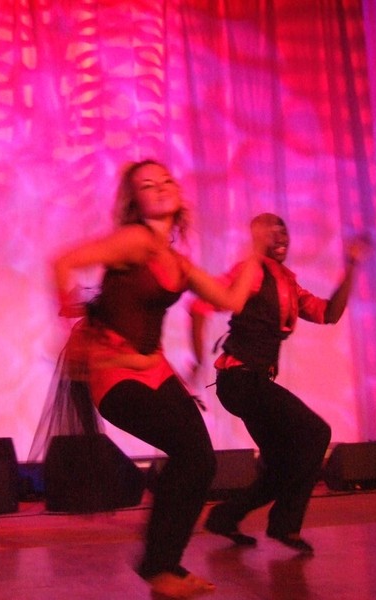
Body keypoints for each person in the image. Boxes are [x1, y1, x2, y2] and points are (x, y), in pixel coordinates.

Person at [50, 159, 261, 599]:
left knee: (200, 461)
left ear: (178, 194)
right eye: (148, 185)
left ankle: (166, 565)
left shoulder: (179, 263)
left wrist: (255, 256)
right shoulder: (134, 240)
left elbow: (229, 300)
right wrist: (67, 310)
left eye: (166, 181)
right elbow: (64, 261)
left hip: (153, 368)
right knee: (192, 455)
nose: (160, 188)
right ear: (136, 201)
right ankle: (159, 566)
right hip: (115, 371)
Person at [189, 212, 369, 554]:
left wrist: (351, 266)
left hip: (252, 383)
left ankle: (225, 517)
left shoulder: (287, 282)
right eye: (270, 230)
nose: (279, 235)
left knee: (281, 467)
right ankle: (285, 525)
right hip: (240, 381)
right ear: (256, 237)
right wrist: (197, 362)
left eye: (283, 229)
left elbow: (328, 313)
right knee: (316, 433)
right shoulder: (252, 271)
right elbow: (199, 306)